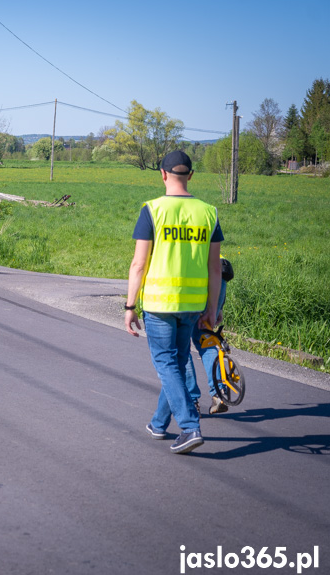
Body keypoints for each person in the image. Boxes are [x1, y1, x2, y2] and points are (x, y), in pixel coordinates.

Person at [125, 150, 223, 455]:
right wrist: (213, 307)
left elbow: (138, 264)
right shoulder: (209, 213)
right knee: (178, 362)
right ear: (191, 175)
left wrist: (129, 307)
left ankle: (189, 426)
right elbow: (215, 266)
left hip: (159, 304)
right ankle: (158, 423)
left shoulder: (152, 210)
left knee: (166, 363)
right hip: (193, 304)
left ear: (163, 174)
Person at [185, 258, 233, 415]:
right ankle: (219, 393)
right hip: (218, 277)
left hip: (192, 282)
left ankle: (192, 401)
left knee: (181, 347)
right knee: (206, 341)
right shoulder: (212, 231)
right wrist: (217, 307)